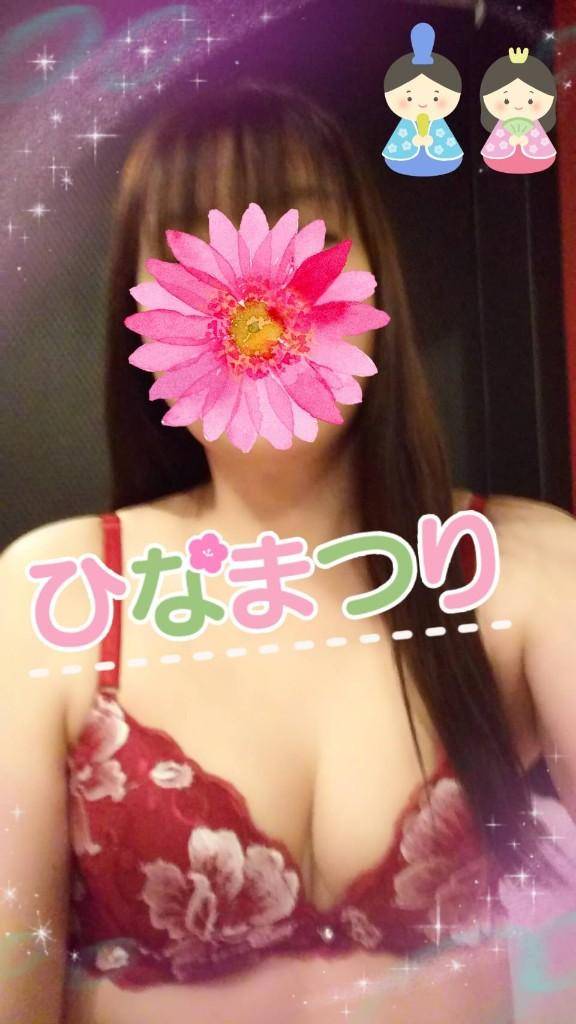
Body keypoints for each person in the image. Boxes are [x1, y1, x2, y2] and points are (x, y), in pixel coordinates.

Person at [1, 81, 575, 1024]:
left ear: (373, 280)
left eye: (301, 232)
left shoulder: (524, 569)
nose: (252, 288)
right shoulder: (56, 593)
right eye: (194, 247)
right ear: (139, 314)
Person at [382, 22, 464, 177]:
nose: (422, 103)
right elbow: (399, 147)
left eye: (435, 97)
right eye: (409, 97)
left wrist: (431, 142)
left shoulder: (439, 124)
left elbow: (446, 146)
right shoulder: (406, 124)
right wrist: (414, 142)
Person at [480, 48, 557, 174]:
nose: (518, 106)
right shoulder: (501, 125)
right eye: (506, 100)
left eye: (530, 100)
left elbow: (541, 148)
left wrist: (527, 142)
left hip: (537, 162)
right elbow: (495, 149)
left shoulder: (535, 125)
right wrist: (510, 142)